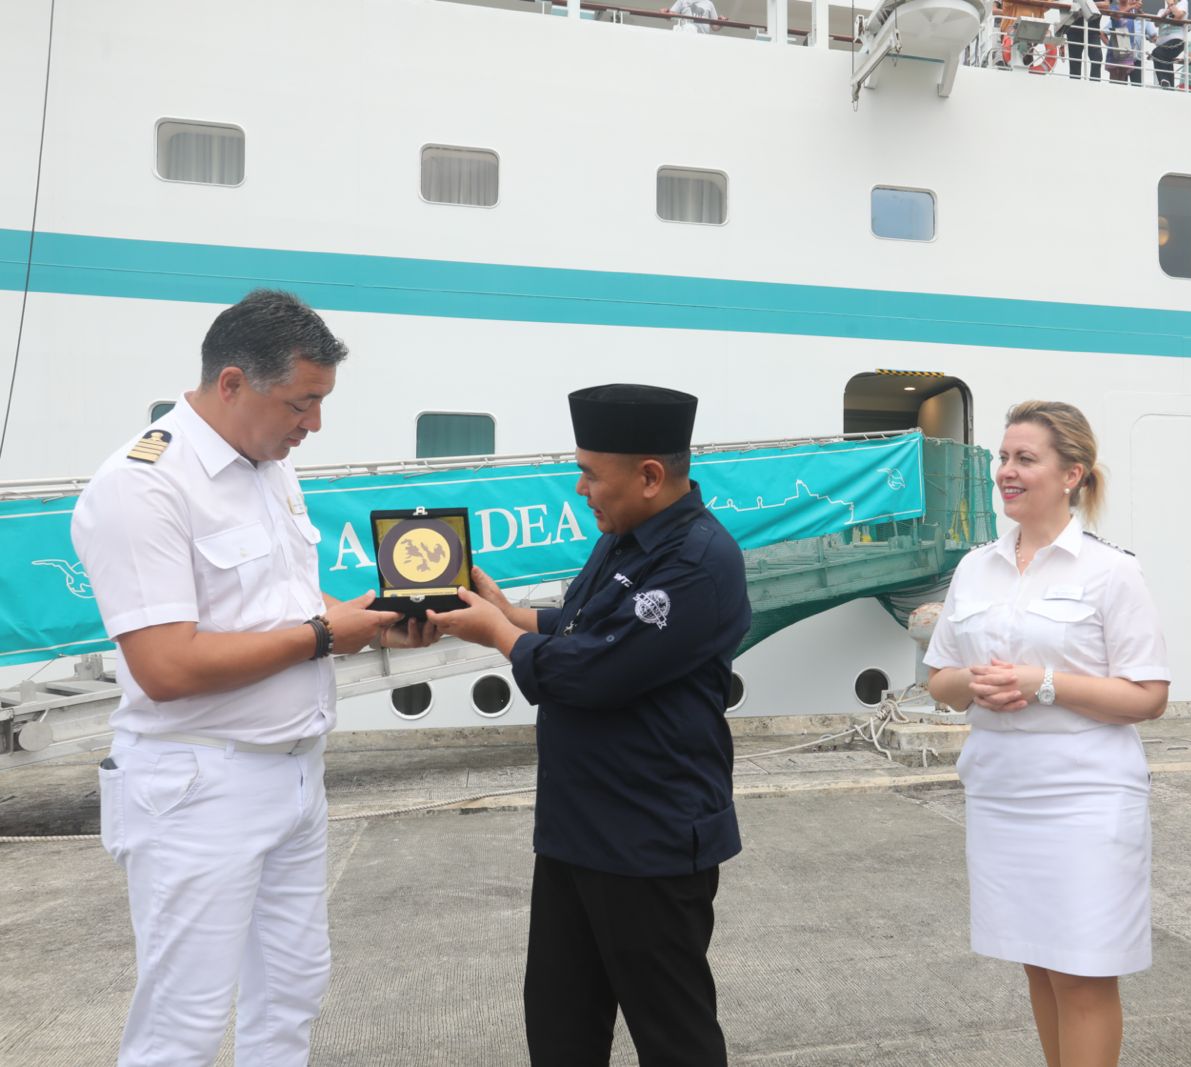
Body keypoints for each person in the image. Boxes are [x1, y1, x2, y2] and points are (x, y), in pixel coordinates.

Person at [70, 289, 429, 1067]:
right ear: (232, 384)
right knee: (185, 1025)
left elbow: (281, 609)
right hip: (199, 788)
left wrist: (369, 618)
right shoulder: (146, 484)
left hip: (294, 776)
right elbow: (165, 666)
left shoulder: (265, 465)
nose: (315, 424)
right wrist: (326, 634)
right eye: (303, 402)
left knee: (292, 991)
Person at [430, 383, 751, 1067]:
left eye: (589, 472)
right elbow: (581, 623)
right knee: (560, 1029)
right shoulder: (628, 537)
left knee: (675, 1039)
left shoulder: (697, 562)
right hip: (578, 833)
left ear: (650, 475)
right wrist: (506, 610)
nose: (580, 488)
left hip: (650, 842)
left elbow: (590, 672)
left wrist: (497, 635)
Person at [925, 401, 1170, 1067]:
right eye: (1003, 457)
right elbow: (939, 678)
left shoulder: (1110, 571)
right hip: (1002, 793)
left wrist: (1045, 682)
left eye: (1024, 458)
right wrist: (973, 683)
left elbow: (1149, 694)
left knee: (1082, 970)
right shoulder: (976, 567)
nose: (1006, 470)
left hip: (1085, 796)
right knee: (1037, 963)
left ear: (1072, 475)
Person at [1105, 0, 1155, 84]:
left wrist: (1139, 10)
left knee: (1124, 77)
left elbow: (1145, 20)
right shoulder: (1114, 7)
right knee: (1116, 78)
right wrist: (1132, 6)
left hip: (1128, 46)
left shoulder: (1133, 12)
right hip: (1118, 43)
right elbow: (1117, 16)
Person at [1063, 0, 1113, 81]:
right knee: (1075, 61)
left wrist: (1086, 5)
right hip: (1074, 28)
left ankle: (1094, 85)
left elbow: (1106, 5)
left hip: (1092, 30)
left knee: (1097, 58)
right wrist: (1092, 6)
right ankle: (1074, 87)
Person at [1150, 0, 1188, 88]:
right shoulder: (1161, 10)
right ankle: (1169, 85)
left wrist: (1171, 5)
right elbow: (1156, 23)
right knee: (1166, 60)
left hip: (1177, 39)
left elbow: (1179, 16)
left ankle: (1163, 80)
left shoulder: (1182, 3)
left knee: (1156, 53)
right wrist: (1165, 13)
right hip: (1162, 43)